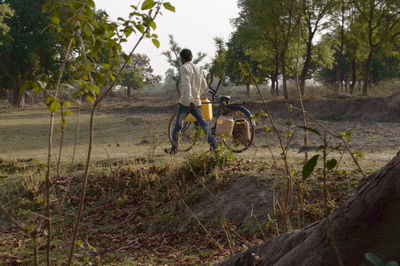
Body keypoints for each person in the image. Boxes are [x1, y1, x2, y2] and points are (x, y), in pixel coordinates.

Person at [164, 48, 217, 154]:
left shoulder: (184, 68)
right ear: (191, 57)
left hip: (185, 102)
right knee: (204, 124)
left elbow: (186, 84)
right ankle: (214, 146)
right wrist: (197, 95)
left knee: (178, 126)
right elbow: (204, 85)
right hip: (197, 102)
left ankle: (174, 149)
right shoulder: (199, 68)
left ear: (182, 59)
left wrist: (190, 99)